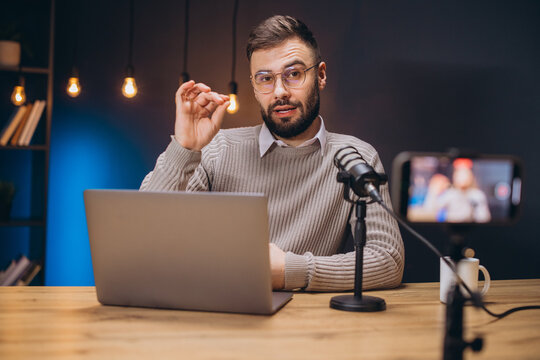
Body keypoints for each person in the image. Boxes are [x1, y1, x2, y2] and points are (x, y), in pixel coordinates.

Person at [140, 15, 404, 291]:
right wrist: (185, 148)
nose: (279, 91)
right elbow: (144, 232)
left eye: (294, 74)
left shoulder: (356, 158)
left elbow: (388, 260)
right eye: (265, 79)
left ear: (321, 75)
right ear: (254, 86)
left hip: (309, 324)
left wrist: (289, 270)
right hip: (219, 313)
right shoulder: (216, 150)